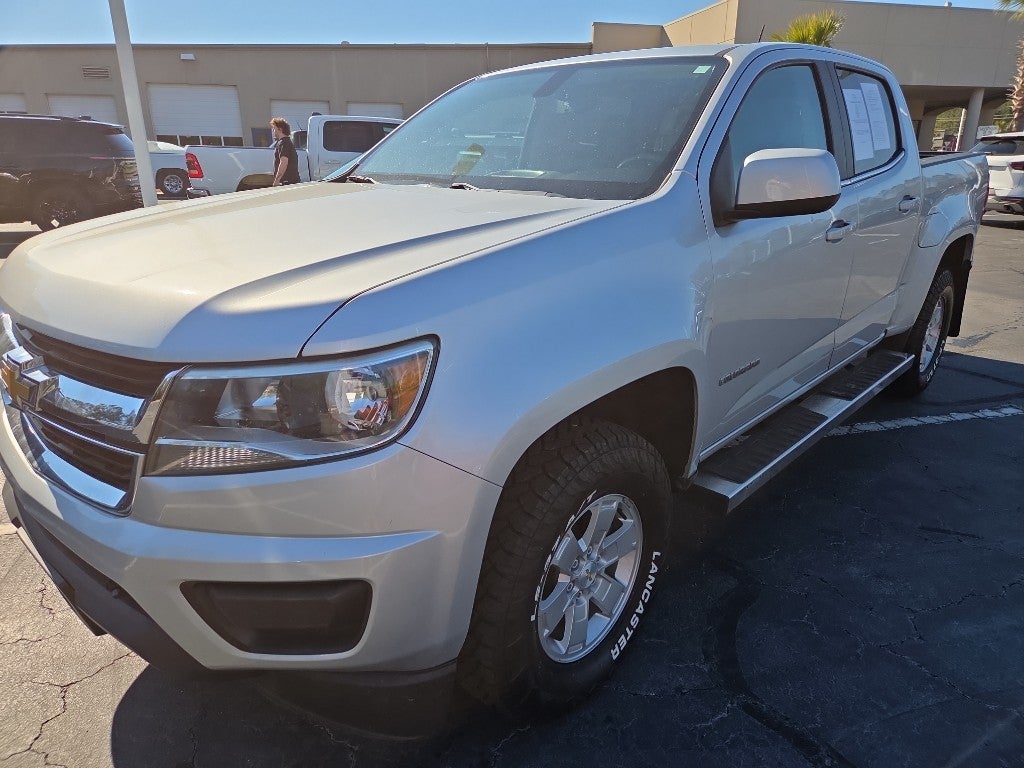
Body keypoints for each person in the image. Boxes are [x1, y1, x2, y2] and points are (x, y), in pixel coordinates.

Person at [270, 117, 300, 186]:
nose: (273, 131)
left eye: (274, 129)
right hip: (291, 181)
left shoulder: (283, 143)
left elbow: (284, 162)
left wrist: (277, 180)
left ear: (280, 129)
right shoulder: (286, 142)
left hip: (287, 182)